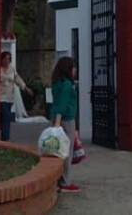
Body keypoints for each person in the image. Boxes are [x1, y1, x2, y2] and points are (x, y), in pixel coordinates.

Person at [50, 56, 79, 193]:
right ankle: (65, 182)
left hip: (56, 118)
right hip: (66, 120)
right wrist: (58, 124)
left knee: (58, 150)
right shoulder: (67, 85)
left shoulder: (57, 83)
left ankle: (58, 179)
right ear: (68, 69)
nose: (75, 70)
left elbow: (57, 103)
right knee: (67, 152)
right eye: (73, 67)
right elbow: (62, 105)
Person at [0, 52, 32, 141]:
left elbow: (18, 79)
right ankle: (5, 137)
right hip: (0, 97)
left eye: (9, 59)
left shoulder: (12, 69)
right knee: (6, 116)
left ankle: (3, 135)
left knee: (4, 117)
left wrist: (26, 88)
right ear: (1, 59)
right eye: (5, 59)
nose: (7, 61)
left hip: (9, 97)